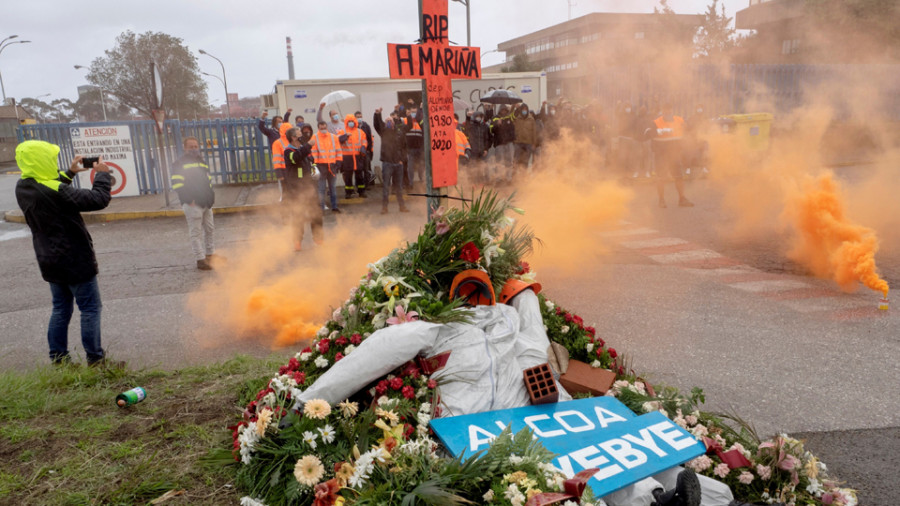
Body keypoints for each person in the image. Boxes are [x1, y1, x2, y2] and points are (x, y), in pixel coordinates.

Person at [14, 141, 113, 366]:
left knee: (60, 309)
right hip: (74, 259)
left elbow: (52, 190)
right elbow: (98, 199)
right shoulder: (56, 190)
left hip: (49, 259)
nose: (54, 163)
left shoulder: (24, 185)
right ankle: (96, 360)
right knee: (90, 309)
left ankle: (59, 360)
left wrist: (69, 173)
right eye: (51, 159)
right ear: (42, 161)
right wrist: (102, 175)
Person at [171, 136, 221, 269]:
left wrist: (211, 197)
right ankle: (200, 259)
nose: (194, 149)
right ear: (185, 148)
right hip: (193, 204)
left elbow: (208, 181)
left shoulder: (202, 162)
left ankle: (210, 255)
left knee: (210, 229)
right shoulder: (179, 163)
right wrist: (189, 200)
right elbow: (177, 184)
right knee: (196, 232)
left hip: (206, 202)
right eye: (191, 147)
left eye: (195, 146)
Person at [280, 125, 324, 251]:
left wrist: (314, 169)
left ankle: (318, 238)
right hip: (296, 189)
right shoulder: (289, 151)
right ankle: (297, 241)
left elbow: (310, 161)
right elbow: (296, 158)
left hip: (309, 187)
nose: (303, 136)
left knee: (316, 213)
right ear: (294, 138)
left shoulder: (303, 149)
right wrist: (309, 145)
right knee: (298, 215)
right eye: (300, 134)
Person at [650, 104, 694, 208]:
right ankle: (661, 200)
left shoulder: (679, 120)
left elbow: (688, 129)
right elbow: (648, 134)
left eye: (669, 111)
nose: (668, 113)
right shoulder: (656, 122)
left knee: (679, 177)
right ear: (662, 111)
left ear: (672, 110)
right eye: (665, 111)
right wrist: (658, 131)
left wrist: (687, 127)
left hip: (674, 154)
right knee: (661, 178)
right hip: (661, 155)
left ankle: (682, 199)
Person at [373, 108, 409, 214]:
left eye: (391, 121)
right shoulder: (383, 132)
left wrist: (402, 160)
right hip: (387, 163)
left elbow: (404, 147)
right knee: (386, 187)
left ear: (394, 123)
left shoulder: (399, 133)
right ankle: (385, 207)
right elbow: (377, 124)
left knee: (399, 187)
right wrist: (377, 114)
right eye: (387, 121)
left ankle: (402, 206)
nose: (389, 123)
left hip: (398, 164)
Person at [311, 121, 343, 213]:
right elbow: (314, 152)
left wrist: (339, 161)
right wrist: (315, 164)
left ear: (327, 127)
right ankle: (321, 208)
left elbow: (338, 150)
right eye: (321, 128)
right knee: (321, 188)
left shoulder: (333, 137)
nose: (323, 130)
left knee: (332, 188)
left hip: (332, 165)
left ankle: (334, 207)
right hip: (321, 166)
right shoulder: (315, 137)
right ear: (318, 128)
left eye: (324, 128)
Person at [338, 114, 369, 199]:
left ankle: (361, 191)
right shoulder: (342, 131)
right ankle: (348, 192)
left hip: (358, 156)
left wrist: (363, 147)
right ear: (346, 122)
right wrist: (345, 136)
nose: (351, 123)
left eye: (352, 121)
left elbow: (364, 141)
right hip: (347, 157)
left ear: (354, 122)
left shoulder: (360, 131)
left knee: (359, 175)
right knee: (348, 176)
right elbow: (338, 140)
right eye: (349, 121)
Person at [463, 110, 491, 183]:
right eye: (477, 116)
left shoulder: (485, 127)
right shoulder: (471, 126)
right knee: (473, 168)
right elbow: (466, 127)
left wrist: (486, 149)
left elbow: (487, 139)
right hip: (473, 151)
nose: (479, 118)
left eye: (480, 117)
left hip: (482, 152)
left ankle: (482, 183)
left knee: (482, 168)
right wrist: (468, 117)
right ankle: (473, 183)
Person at [489, 105, 516, 183]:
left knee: (509, 161)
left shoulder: (509, 118)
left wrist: (514, 107)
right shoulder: (495, 118)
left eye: (505, 110)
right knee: (499, 162)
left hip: (509, 143)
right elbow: (491, 130)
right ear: (499, 110)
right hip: (499, 143)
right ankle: (499, 178)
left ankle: (508, 178)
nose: (503, 111)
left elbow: (515, 115)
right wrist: (497, 124)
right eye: (502, 110)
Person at [402, 104, 425, 189]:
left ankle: (422, 182)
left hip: (419, 148)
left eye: (415, 112)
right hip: (410, 148)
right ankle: (410, 184)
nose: (414, 114)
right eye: (412, 112)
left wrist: (421, 109)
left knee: (421, 166)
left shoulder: (420, 121)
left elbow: (424, 129)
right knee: (410, 167)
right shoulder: (405, 120)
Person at [512, 103, 537, 177]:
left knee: (525, 161)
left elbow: (534, 132)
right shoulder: (517, 118)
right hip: (518, 142)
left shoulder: (531, 119)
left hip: (528, 143)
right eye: (523, 109)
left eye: (525, 109)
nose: (524, 111)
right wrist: (514, 107)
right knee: (516, 160)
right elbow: (511, 116)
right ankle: (514, 176)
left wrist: (534, 143)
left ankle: (524, 176)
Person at [355, 111, 375, 188]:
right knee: (358, 169)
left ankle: (367, 185)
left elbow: (369, 138)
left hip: (366, 151)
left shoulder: (366, 126)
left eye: (360, 116)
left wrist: (368, 150)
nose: (359, 118)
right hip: (356, 152)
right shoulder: (353, 127)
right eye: (357, 117)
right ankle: (359, 185)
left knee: (366, 169)